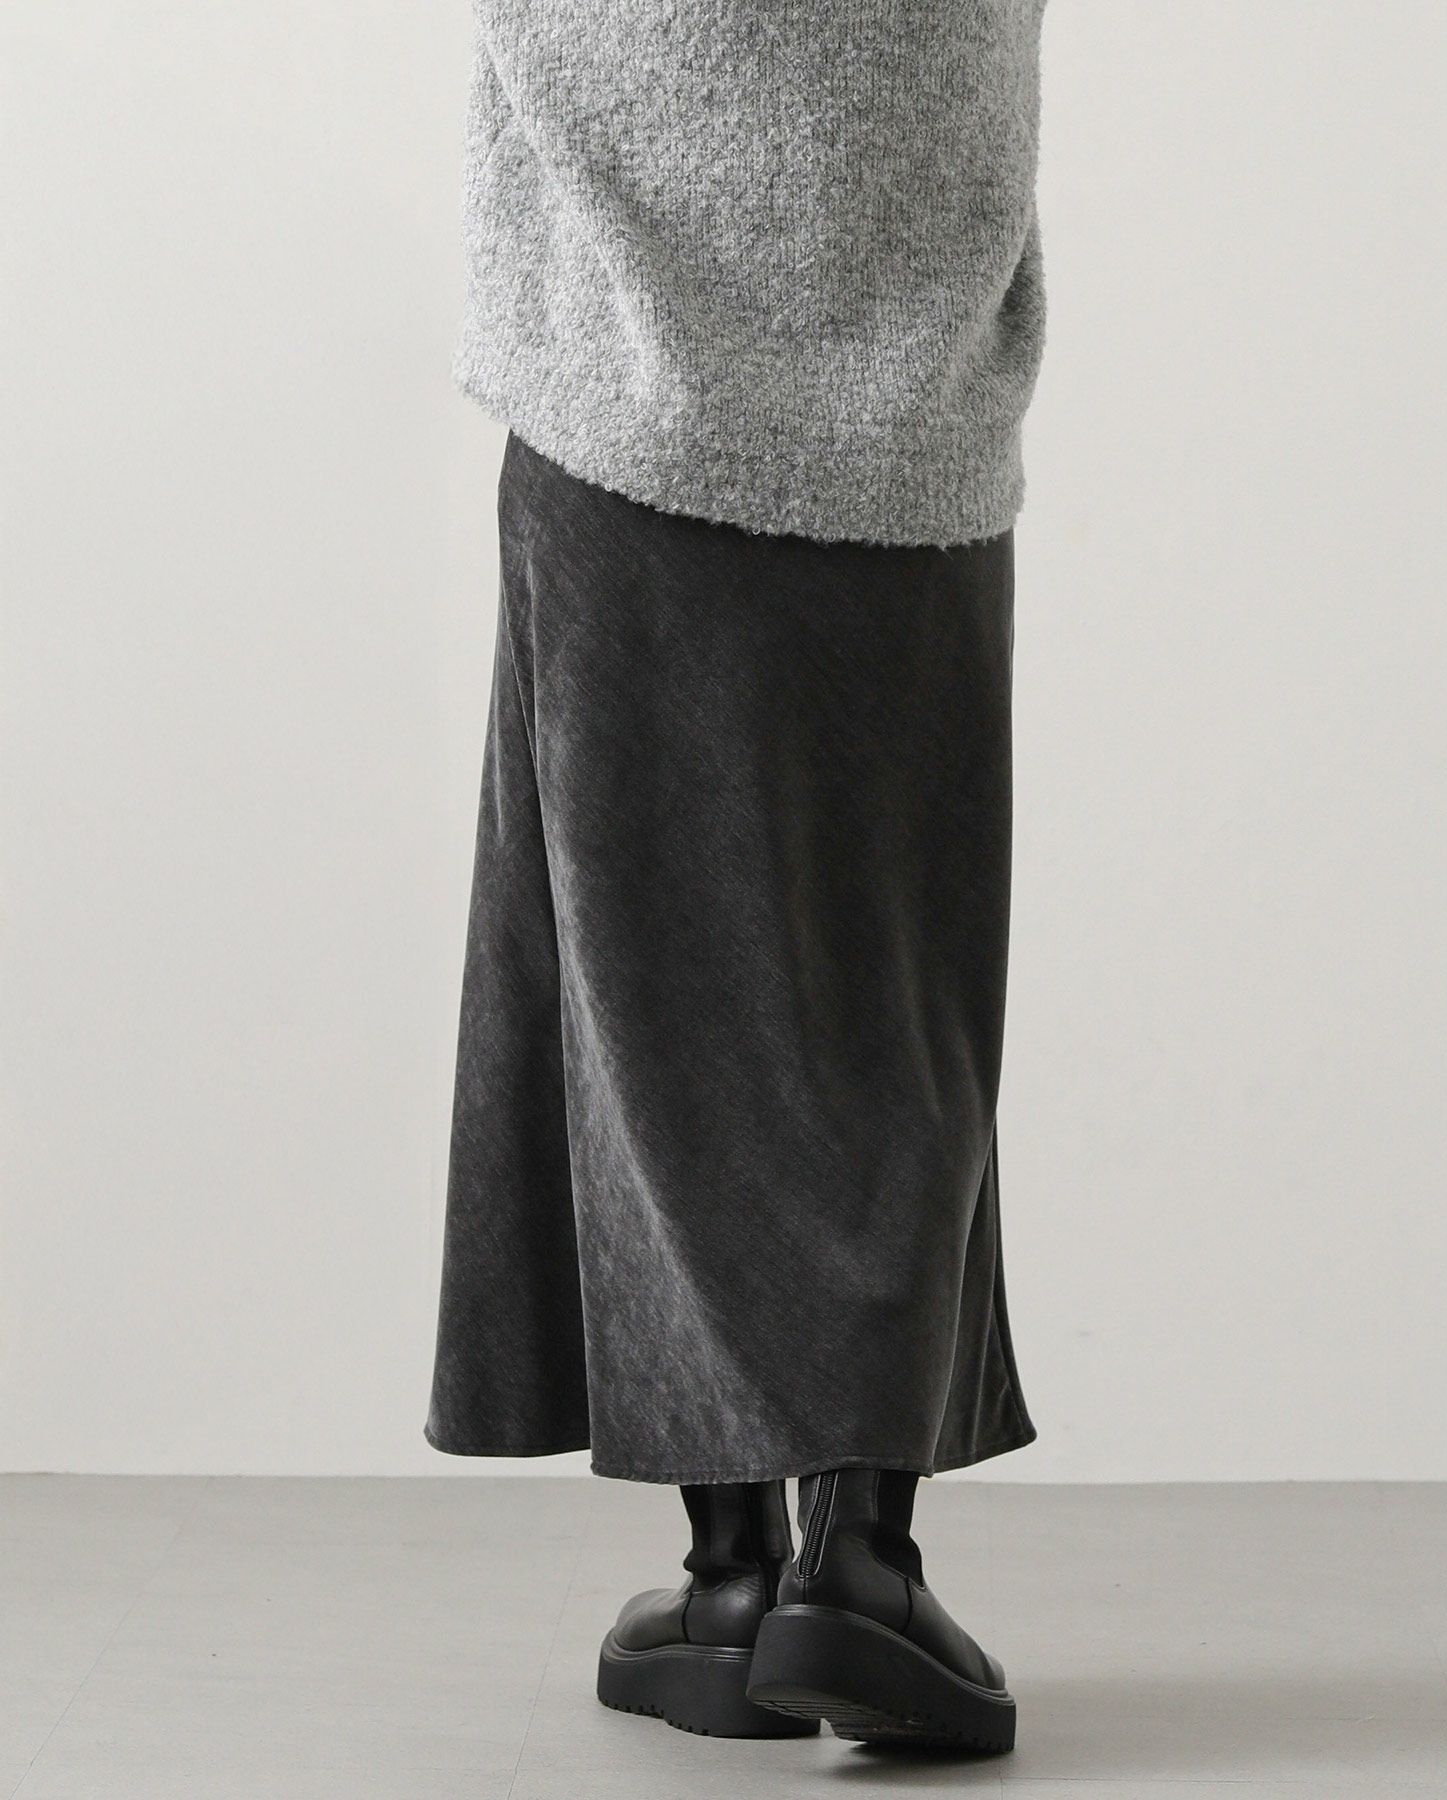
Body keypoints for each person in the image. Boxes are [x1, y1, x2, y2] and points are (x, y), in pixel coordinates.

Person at [426, 0, 1049, 1754]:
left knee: (642, 993)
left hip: (618, 399)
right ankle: (858, 1563)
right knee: (889, 987)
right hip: (900, 420)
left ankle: (727, 1578)